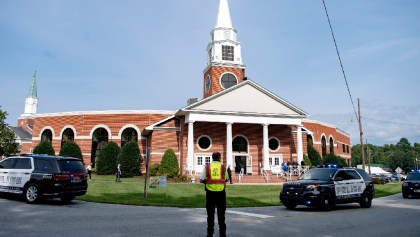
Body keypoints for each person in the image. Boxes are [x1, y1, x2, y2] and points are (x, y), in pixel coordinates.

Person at [200, 152, 227, 237]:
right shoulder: (223, 167)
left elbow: (201, 179)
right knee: (221, 214)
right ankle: (222, 234)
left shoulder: (207, 167)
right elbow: (227, 179)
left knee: (210, 214)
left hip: (210, 192)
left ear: (212, 158)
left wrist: (207, 182)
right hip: (221, 192)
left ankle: (210, 233)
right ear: (219, 157)